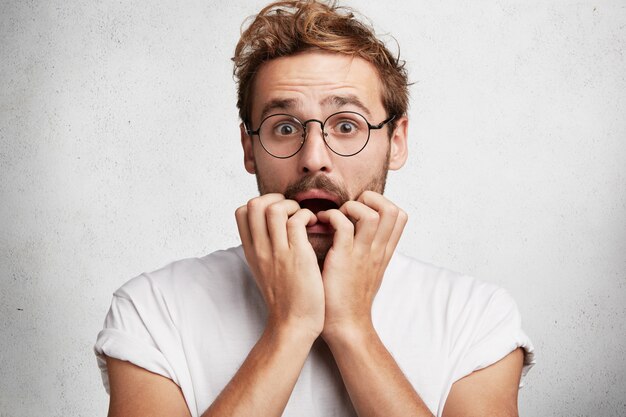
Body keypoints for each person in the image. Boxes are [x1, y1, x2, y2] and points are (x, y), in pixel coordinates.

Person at [94, 1, 535, 416]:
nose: (313, 157)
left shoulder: (477, 315)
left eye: (346, 125)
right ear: (250, 148)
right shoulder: (153, 308)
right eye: (284, 127)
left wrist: (351, 327)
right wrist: (291, 326)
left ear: (396, 142)